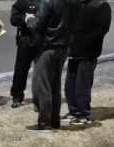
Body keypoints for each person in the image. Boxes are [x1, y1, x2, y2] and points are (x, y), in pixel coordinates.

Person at [25, 0, 79, 131]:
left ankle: (45, 122)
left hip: (47, 46)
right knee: (55, 86)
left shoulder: (47, 2)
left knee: (43, 86)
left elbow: (38, 25)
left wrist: (30, 19)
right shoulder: (74, 3)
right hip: (64, 46)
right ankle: (55, 121)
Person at [64, 0, 111, 125]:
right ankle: (73, 111)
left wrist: (83, 43)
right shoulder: (75, 4)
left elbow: (102, 29)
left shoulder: (101, 5)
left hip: (88, 52)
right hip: (74, 51)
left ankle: (84, 113)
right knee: (70, 84)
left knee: (82, 85)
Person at [9, 0, 40, 108]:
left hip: (43, 39)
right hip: (26, 39)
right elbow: (13, 19)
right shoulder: (22, 2)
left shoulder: (47, 2)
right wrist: (25, 18)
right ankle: (17, 96)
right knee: (21, 69)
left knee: (42, 70)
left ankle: (41, 97)